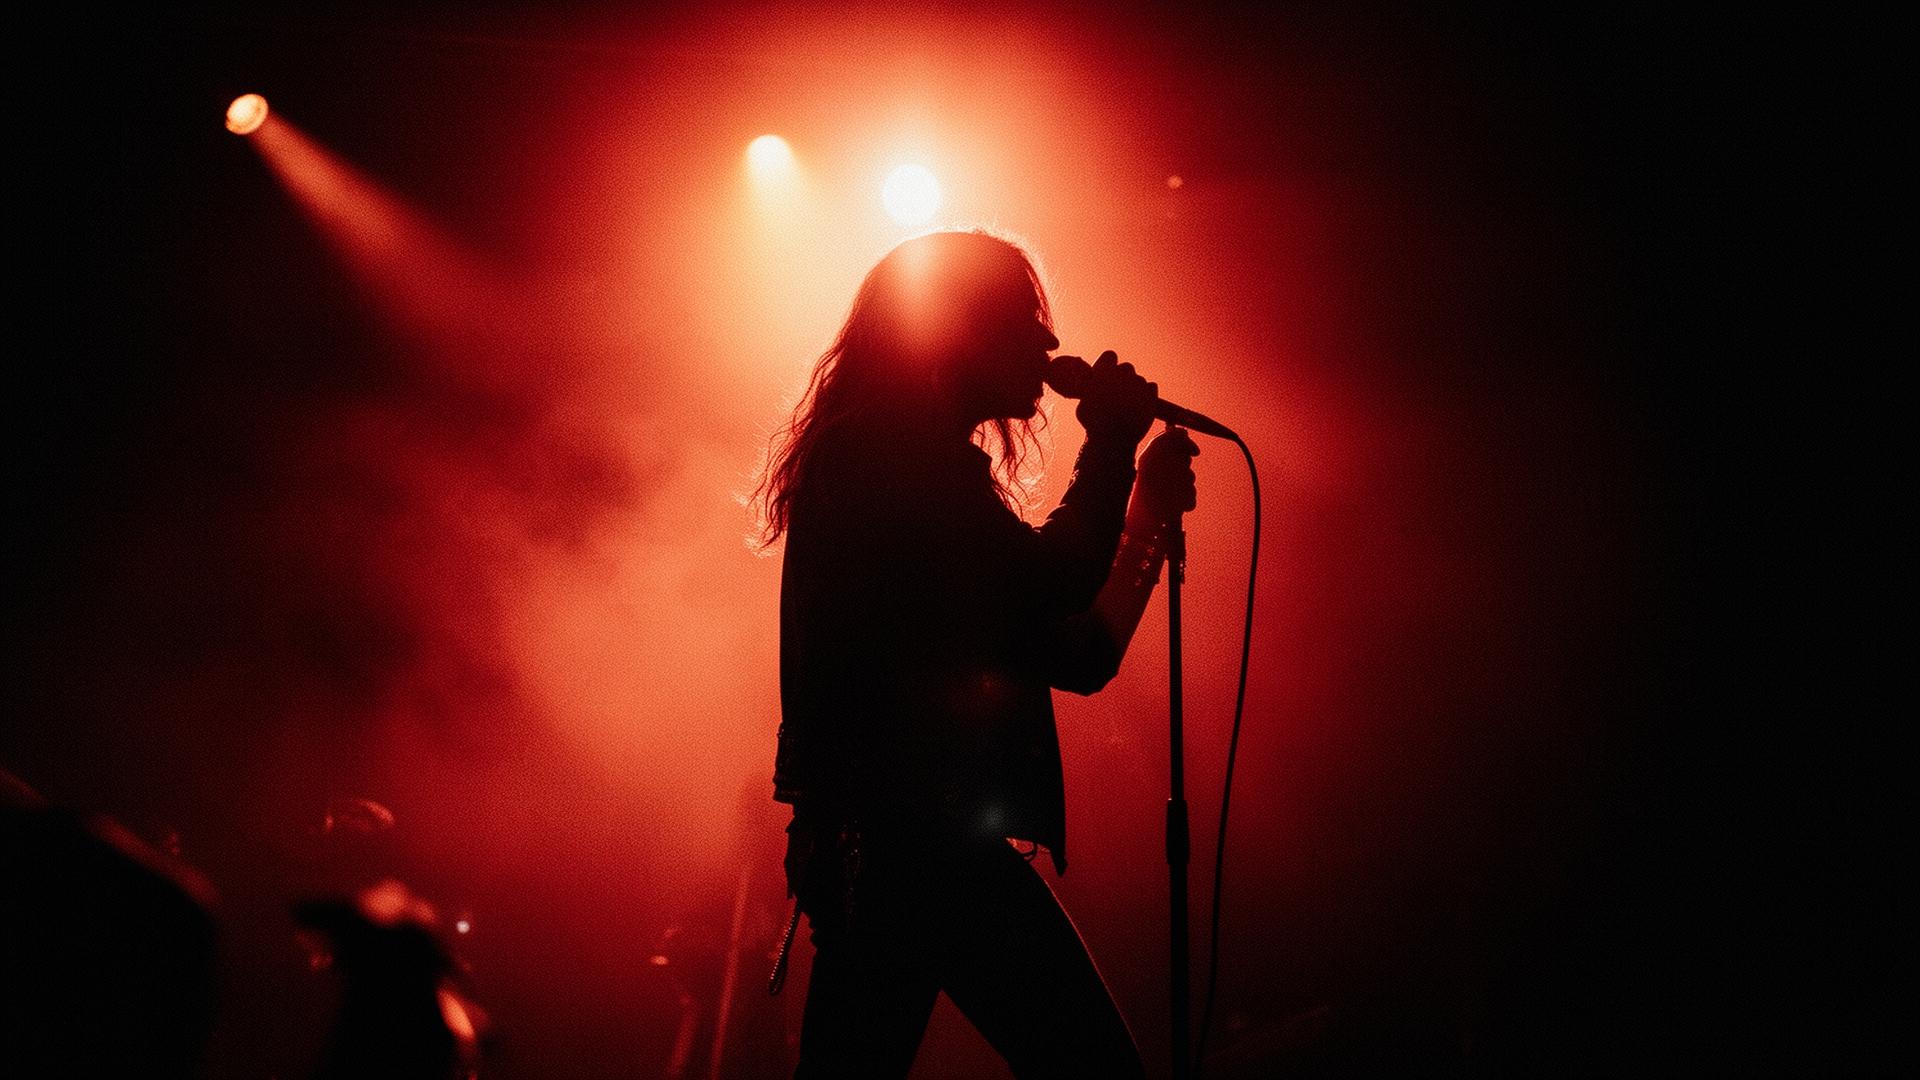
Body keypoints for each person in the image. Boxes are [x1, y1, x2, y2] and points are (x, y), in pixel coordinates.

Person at [757, 229, 1197, 1078]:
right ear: (962, 329)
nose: (1048, 342)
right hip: (913, 852)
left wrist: (1142, 520)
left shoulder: (897, 463)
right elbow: (1059, 582)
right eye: (1024, 319)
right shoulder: (888, 462)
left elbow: (1076, 655)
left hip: (903, 851)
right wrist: (1107, 446)